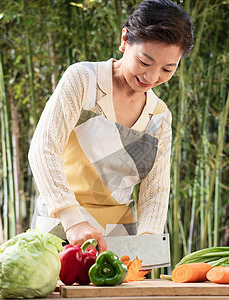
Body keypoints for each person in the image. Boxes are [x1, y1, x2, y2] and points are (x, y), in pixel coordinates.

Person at [29, 0, 194, 252]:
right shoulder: (84, 80)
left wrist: (146, 246)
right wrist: (73, 221)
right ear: (125, 39)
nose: (151, 77)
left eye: (167, 68)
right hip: (61, 226)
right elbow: (43, 149)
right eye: (144, 62)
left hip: (119, 239)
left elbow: (155, 192)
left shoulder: (159, 117)